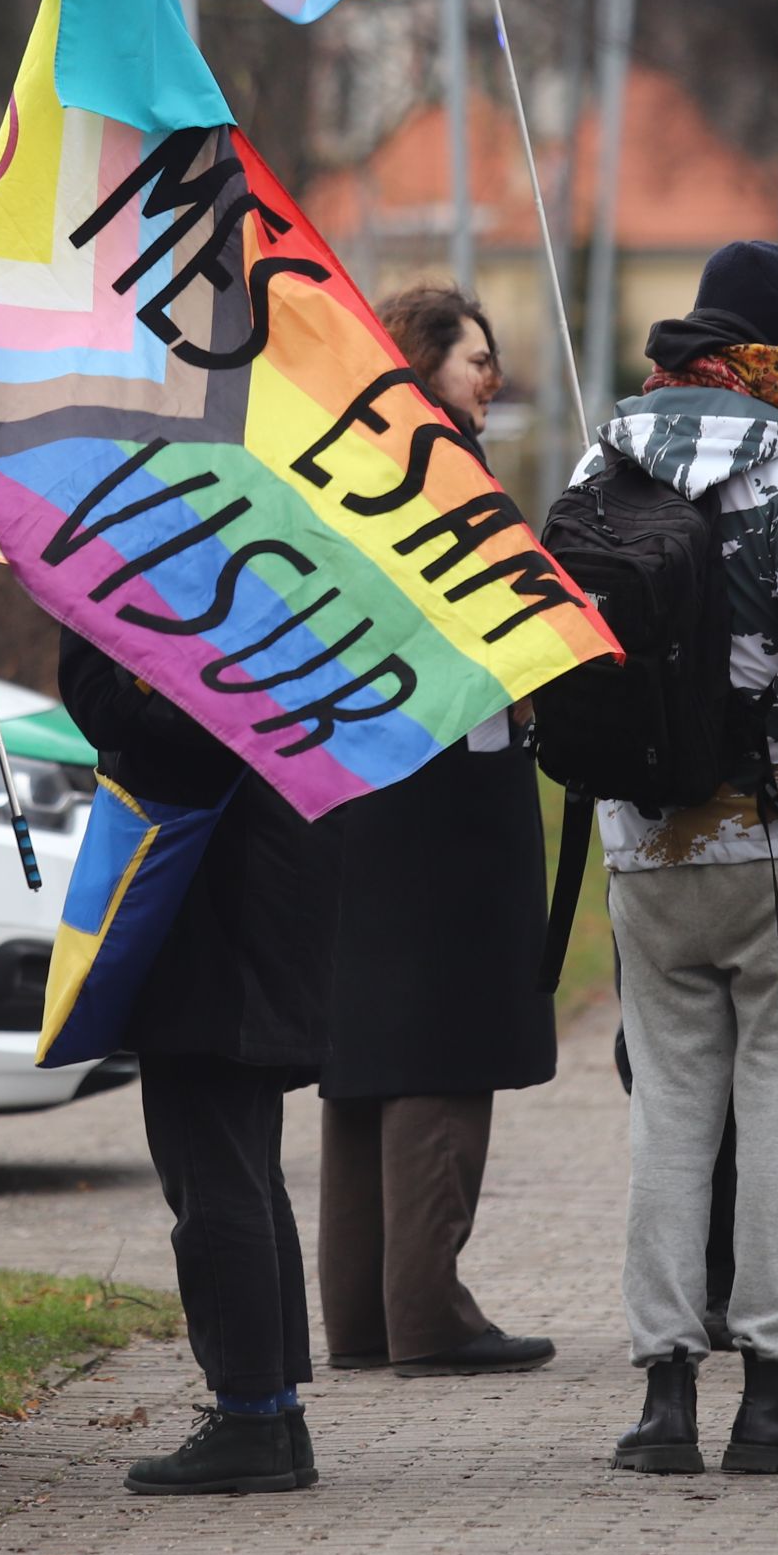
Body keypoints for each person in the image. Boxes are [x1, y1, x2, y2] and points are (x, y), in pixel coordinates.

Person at [588, 240, 778, 1478]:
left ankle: (664, 1400)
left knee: (670, 1118)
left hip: (645, 850)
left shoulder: (601, 457)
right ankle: (774, 1397)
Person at [315, 286, 558, 1379]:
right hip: (450, 803)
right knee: (442, 1050)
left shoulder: (334, 474)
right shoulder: (441, 479)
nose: (490, 377)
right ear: (422, 366)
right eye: (475, 360)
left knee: (365, 1055)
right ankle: (429, 1313)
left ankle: (363, 1318)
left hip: (357, 796)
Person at [57, 627, 337, 1496]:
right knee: (247, 1169)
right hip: (266, 880)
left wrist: (92, 639)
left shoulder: (166, 574)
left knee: (213, 1173)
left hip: (207, 900)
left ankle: (251, 1414)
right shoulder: (275, 565)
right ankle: (275, 1411)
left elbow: (134, 720)